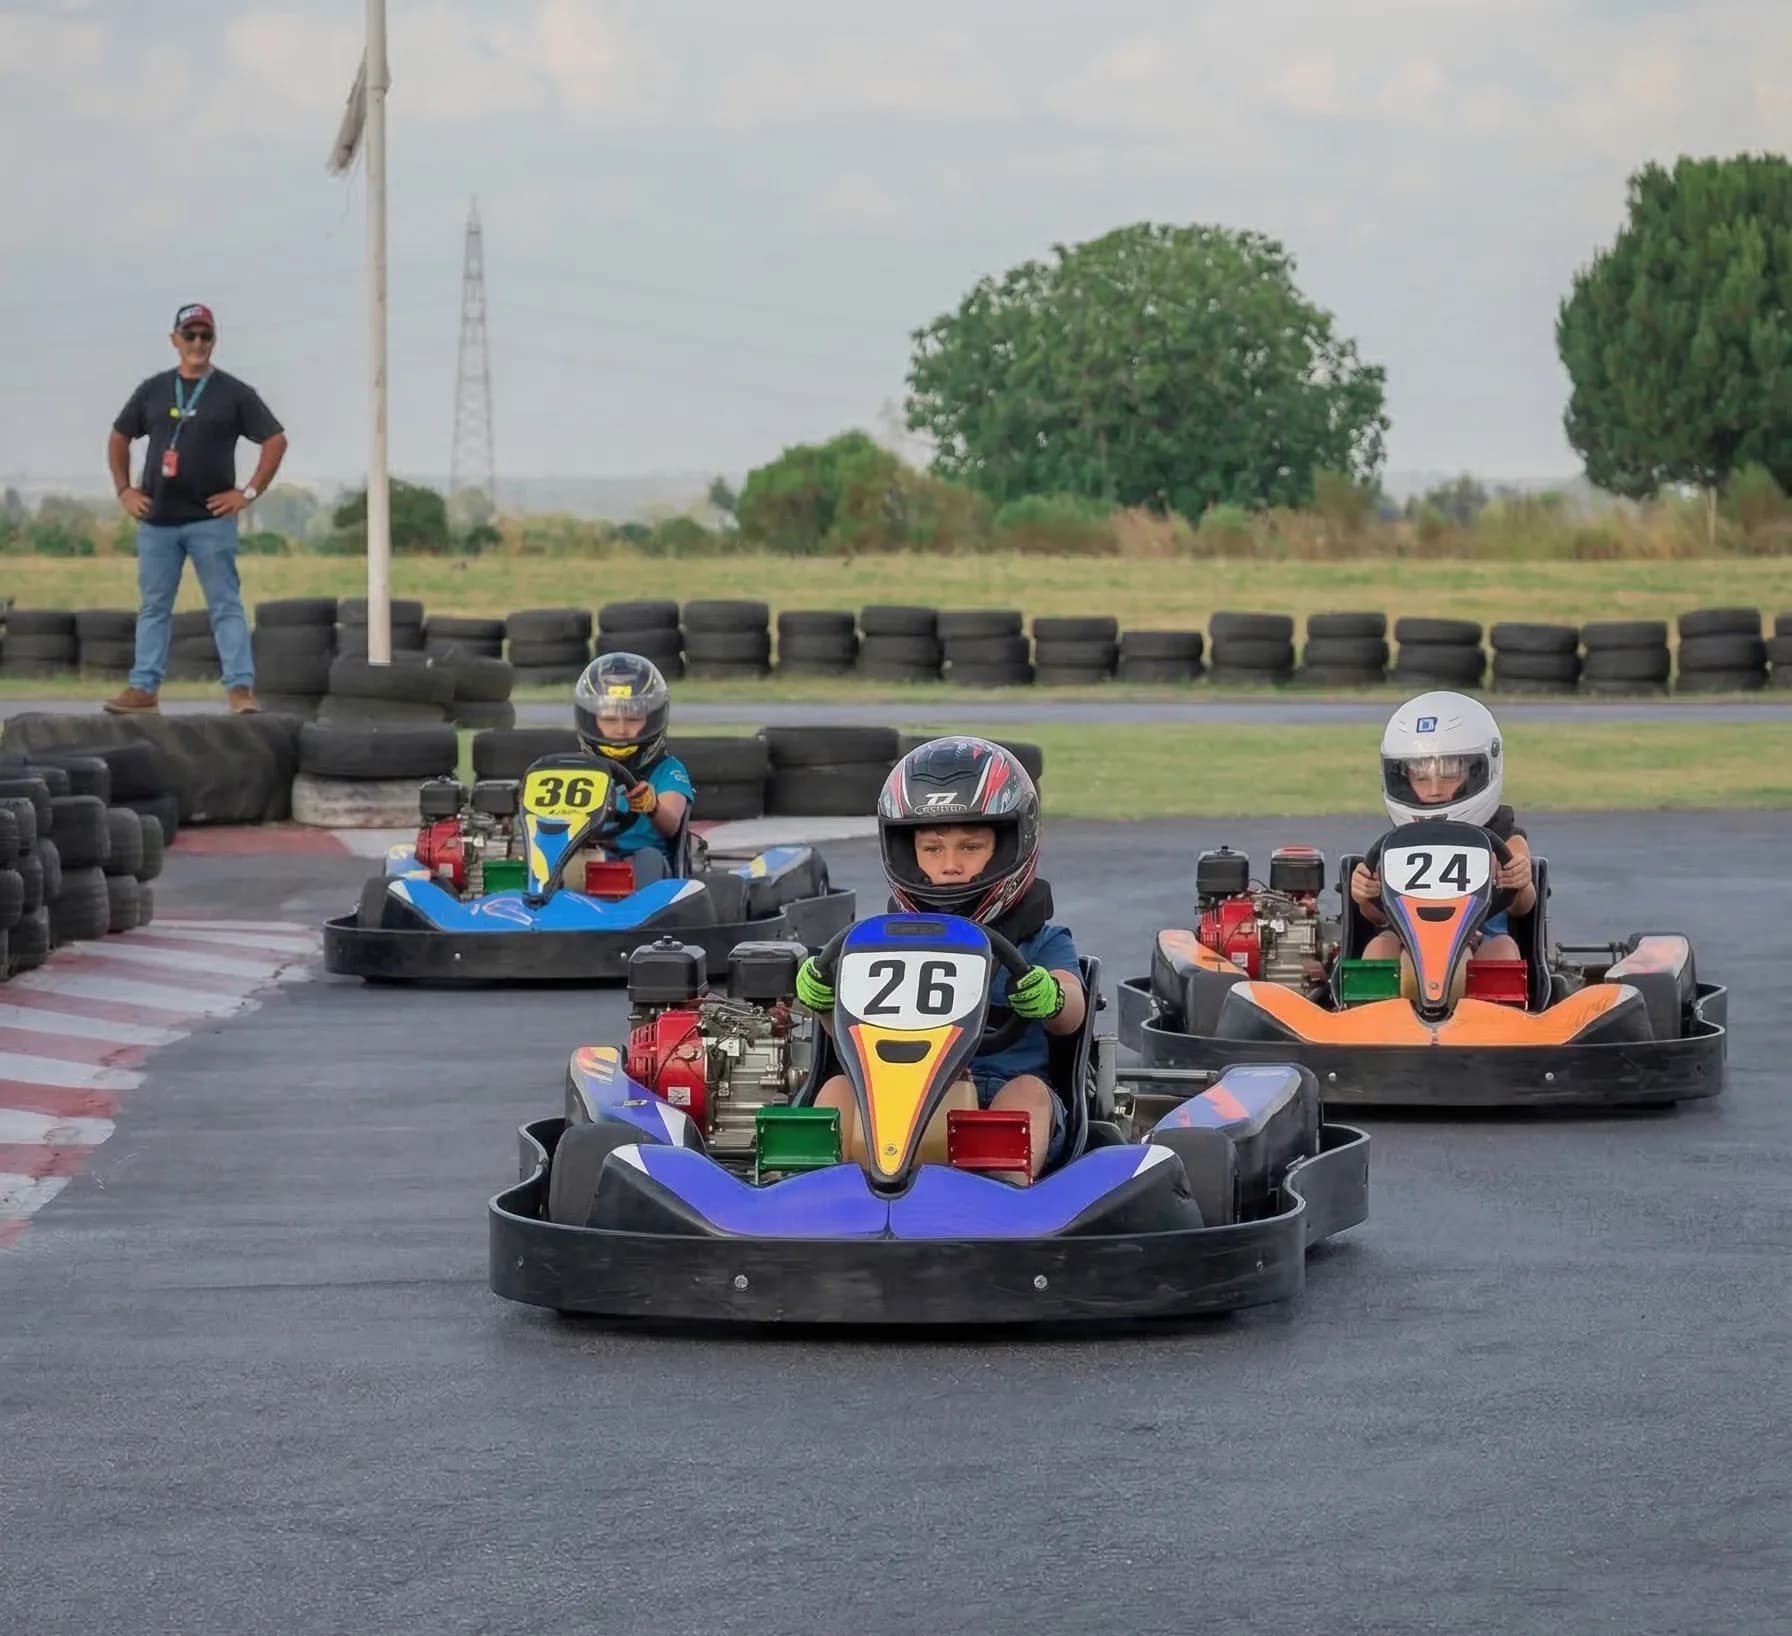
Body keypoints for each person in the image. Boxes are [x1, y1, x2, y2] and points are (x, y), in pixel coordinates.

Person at [794, 737, 1086, 1182]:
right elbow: (847, 1038)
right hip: (890, 1098)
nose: (949, 866)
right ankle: (814, 1196)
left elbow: (1072, 1010)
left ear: (1009, 847)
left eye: (970, 848)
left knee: (1029, 1094)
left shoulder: (1040, 941)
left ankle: (1002, 1195)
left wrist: (1052, 997)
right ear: (907, 854)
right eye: (932, 850)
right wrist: (822, 1004)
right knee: (836, 1088)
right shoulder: (878, 943)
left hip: (996, 1093)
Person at [105, 303, 288, 716]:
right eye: (190, 335)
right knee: (154, 606)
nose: (198, 343)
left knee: (225, 604)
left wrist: (249, 492)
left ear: (214, 340)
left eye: (205, 336)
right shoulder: (152, 390)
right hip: (157, 521)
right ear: (174, 340)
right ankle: (143, 688)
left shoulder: (234, 393)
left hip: (211, 520)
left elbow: (275, 440)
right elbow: (118, 437)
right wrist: (124, 490)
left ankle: (240, 690)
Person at [1349, 690, 1535, 964]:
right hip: (1407, 940)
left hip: (1482, 939)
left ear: (1479, 771)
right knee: (1380, 948)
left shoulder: (1507, 840)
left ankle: (1491, 1007)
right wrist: (1365, 894)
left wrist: (1519, 883)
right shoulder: (1395, 843)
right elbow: (1377, 916)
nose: (1434, 790)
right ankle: (1373, 1006)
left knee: (1504, 949)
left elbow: (1522, 908)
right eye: (1421, 776)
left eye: (1449, 774)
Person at [569, 651, 693, 873]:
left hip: (645, 869)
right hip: (588, 861)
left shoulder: (668, 770)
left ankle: (640, 908)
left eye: (633, 719)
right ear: (591, 720)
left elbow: (672, 824)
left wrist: (653, 807)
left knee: (649, 859)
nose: (621, 729)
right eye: (609, 719)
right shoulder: (576, 771)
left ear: (651, 720)